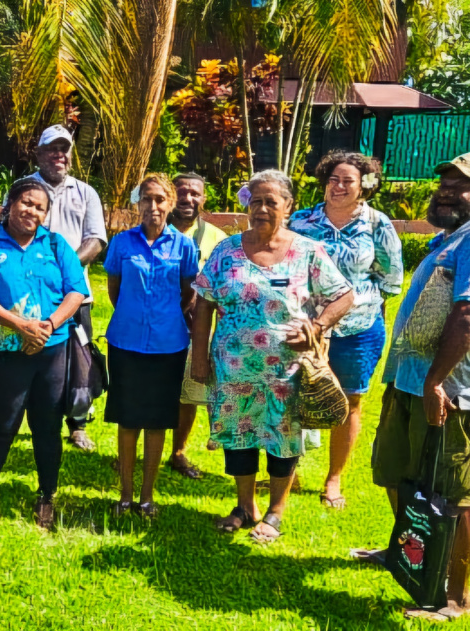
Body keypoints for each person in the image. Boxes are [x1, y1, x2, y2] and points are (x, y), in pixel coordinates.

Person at [191, 169, 353, 543]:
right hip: (233, 369)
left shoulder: (307, 251)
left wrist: (316, 326)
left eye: (271, 202)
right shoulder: (226, 250)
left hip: (286, 372)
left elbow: (343, 295)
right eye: (255, 201)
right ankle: (244, 506)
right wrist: (200, 358)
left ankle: (275, 512)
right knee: (238, 438)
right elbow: (203, 305)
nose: (261, 208)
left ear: (289, 207)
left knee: (283, 440)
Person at [370, 153, 470, 622]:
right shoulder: (447, 239)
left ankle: (454, 596)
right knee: (399, 474)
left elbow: (467, 314)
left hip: (449, 392)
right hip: (408, 382)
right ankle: (411, 557)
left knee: (452, 496)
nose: (447, 190)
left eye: (460, 185)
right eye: (444, 182)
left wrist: (435, 381)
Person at [0, 178, 86, 529]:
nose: (31, 211)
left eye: (39, 207)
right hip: (6, 352)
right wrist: (21, 326)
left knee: (47, 425)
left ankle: (47, 496)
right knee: (2, 424)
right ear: (10, 202)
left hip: (51, 350)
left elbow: (76, 290)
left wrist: (47, 325)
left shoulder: (55, 244)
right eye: (26, 202)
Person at [288, 151, 403, 510]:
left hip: (358, 328)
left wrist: (358, 303)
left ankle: (333, 479)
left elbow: (391, 278)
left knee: (350, 400)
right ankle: (287, 473)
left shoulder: (378, 225)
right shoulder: (301, 221)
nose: (338, 187)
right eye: (333, 179)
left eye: (347, 181)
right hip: (306, 327)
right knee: (293, 396)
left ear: (365, 186)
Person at [104, 174, 198, 518]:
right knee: (128, 420)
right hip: (126, 342)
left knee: (157, 421)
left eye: (160, 199)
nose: (153, 207)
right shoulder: (121, 243)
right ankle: (125, 496)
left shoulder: (184, 247)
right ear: (137, 203)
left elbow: (188, 293)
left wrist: (163, 315)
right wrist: (133, 314)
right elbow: (115, 291)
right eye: (147, 199)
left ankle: (146, 497)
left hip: (168, 344)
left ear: (170, 204)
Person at [27, 125, 107, 451]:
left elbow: (96, 239)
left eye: (64, 149)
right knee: (25, 355)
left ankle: (78, 424)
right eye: (52, 149)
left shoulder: (85, 192)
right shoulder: (24, 189)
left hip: (77, 296)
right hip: (30, 293)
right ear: (39, 152)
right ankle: (11, 418)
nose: (59, 155)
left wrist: (66, 269)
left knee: (80, 361)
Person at [167, 172, 228, 480]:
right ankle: (134, 449)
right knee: (151, 389)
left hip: (196, 328)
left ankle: (177, 451)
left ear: (204, 198)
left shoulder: (217, 239)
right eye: (182, 191)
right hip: (155, 325)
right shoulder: (152, 230)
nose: (188, 198)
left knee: (188, 392)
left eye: (195, 193)